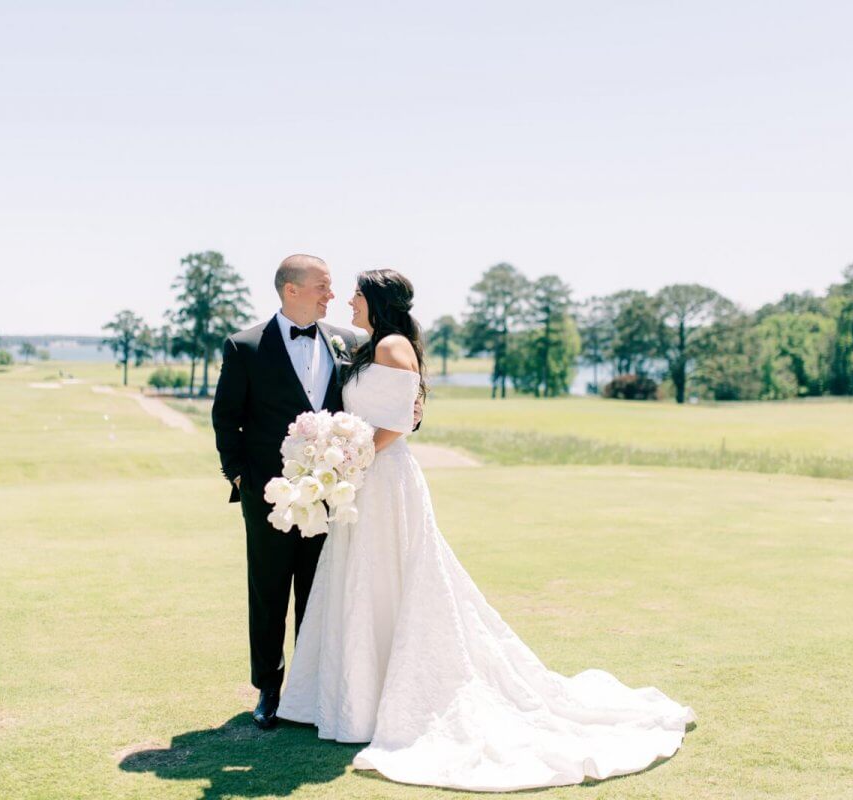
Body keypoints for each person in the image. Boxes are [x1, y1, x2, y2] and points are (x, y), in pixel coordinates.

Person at [277, 268, 696, 792]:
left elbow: (401, 422)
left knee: (389, 578)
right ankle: (355, 697)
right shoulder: (369, 345)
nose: (349, 300)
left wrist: (347, 458)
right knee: (362, 582)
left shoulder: (392, 347)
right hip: (365, 480)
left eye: (358, 293)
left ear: (376, 300)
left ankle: (381, 700)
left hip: (383, 481)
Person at [210, 254, 358, 730]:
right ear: (291, 289)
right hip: (269, 496)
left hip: (330, 495)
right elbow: (225, 416)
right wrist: (239, 477)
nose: (330, 295)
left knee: (320, 592)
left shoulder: (347, 342)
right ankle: (268, 689)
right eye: (323, 286)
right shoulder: (245, 346)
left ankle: (313, 687)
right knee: (269, 591)